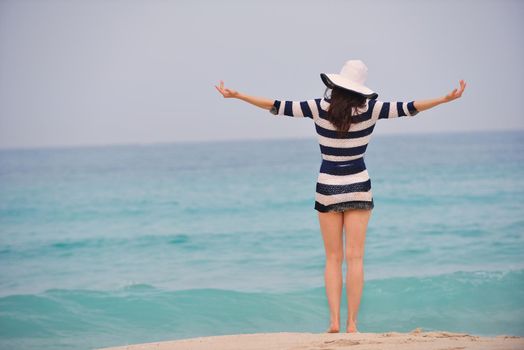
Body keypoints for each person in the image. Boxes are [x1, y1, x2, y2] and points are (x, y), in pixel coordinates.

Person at [214, 59, 466, 333]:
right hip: (359, 183)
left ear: (335, 85)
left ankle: (333, 322)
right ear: (360, 89)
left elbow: (276, 105)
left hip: (328, 185)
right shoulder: (372, 109)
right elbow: (410, 107)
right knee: (355, 258)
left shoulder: (317, 108)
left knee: (333, 258)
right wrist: (444, 99)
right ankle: (352, 324)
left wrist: (238, 96)